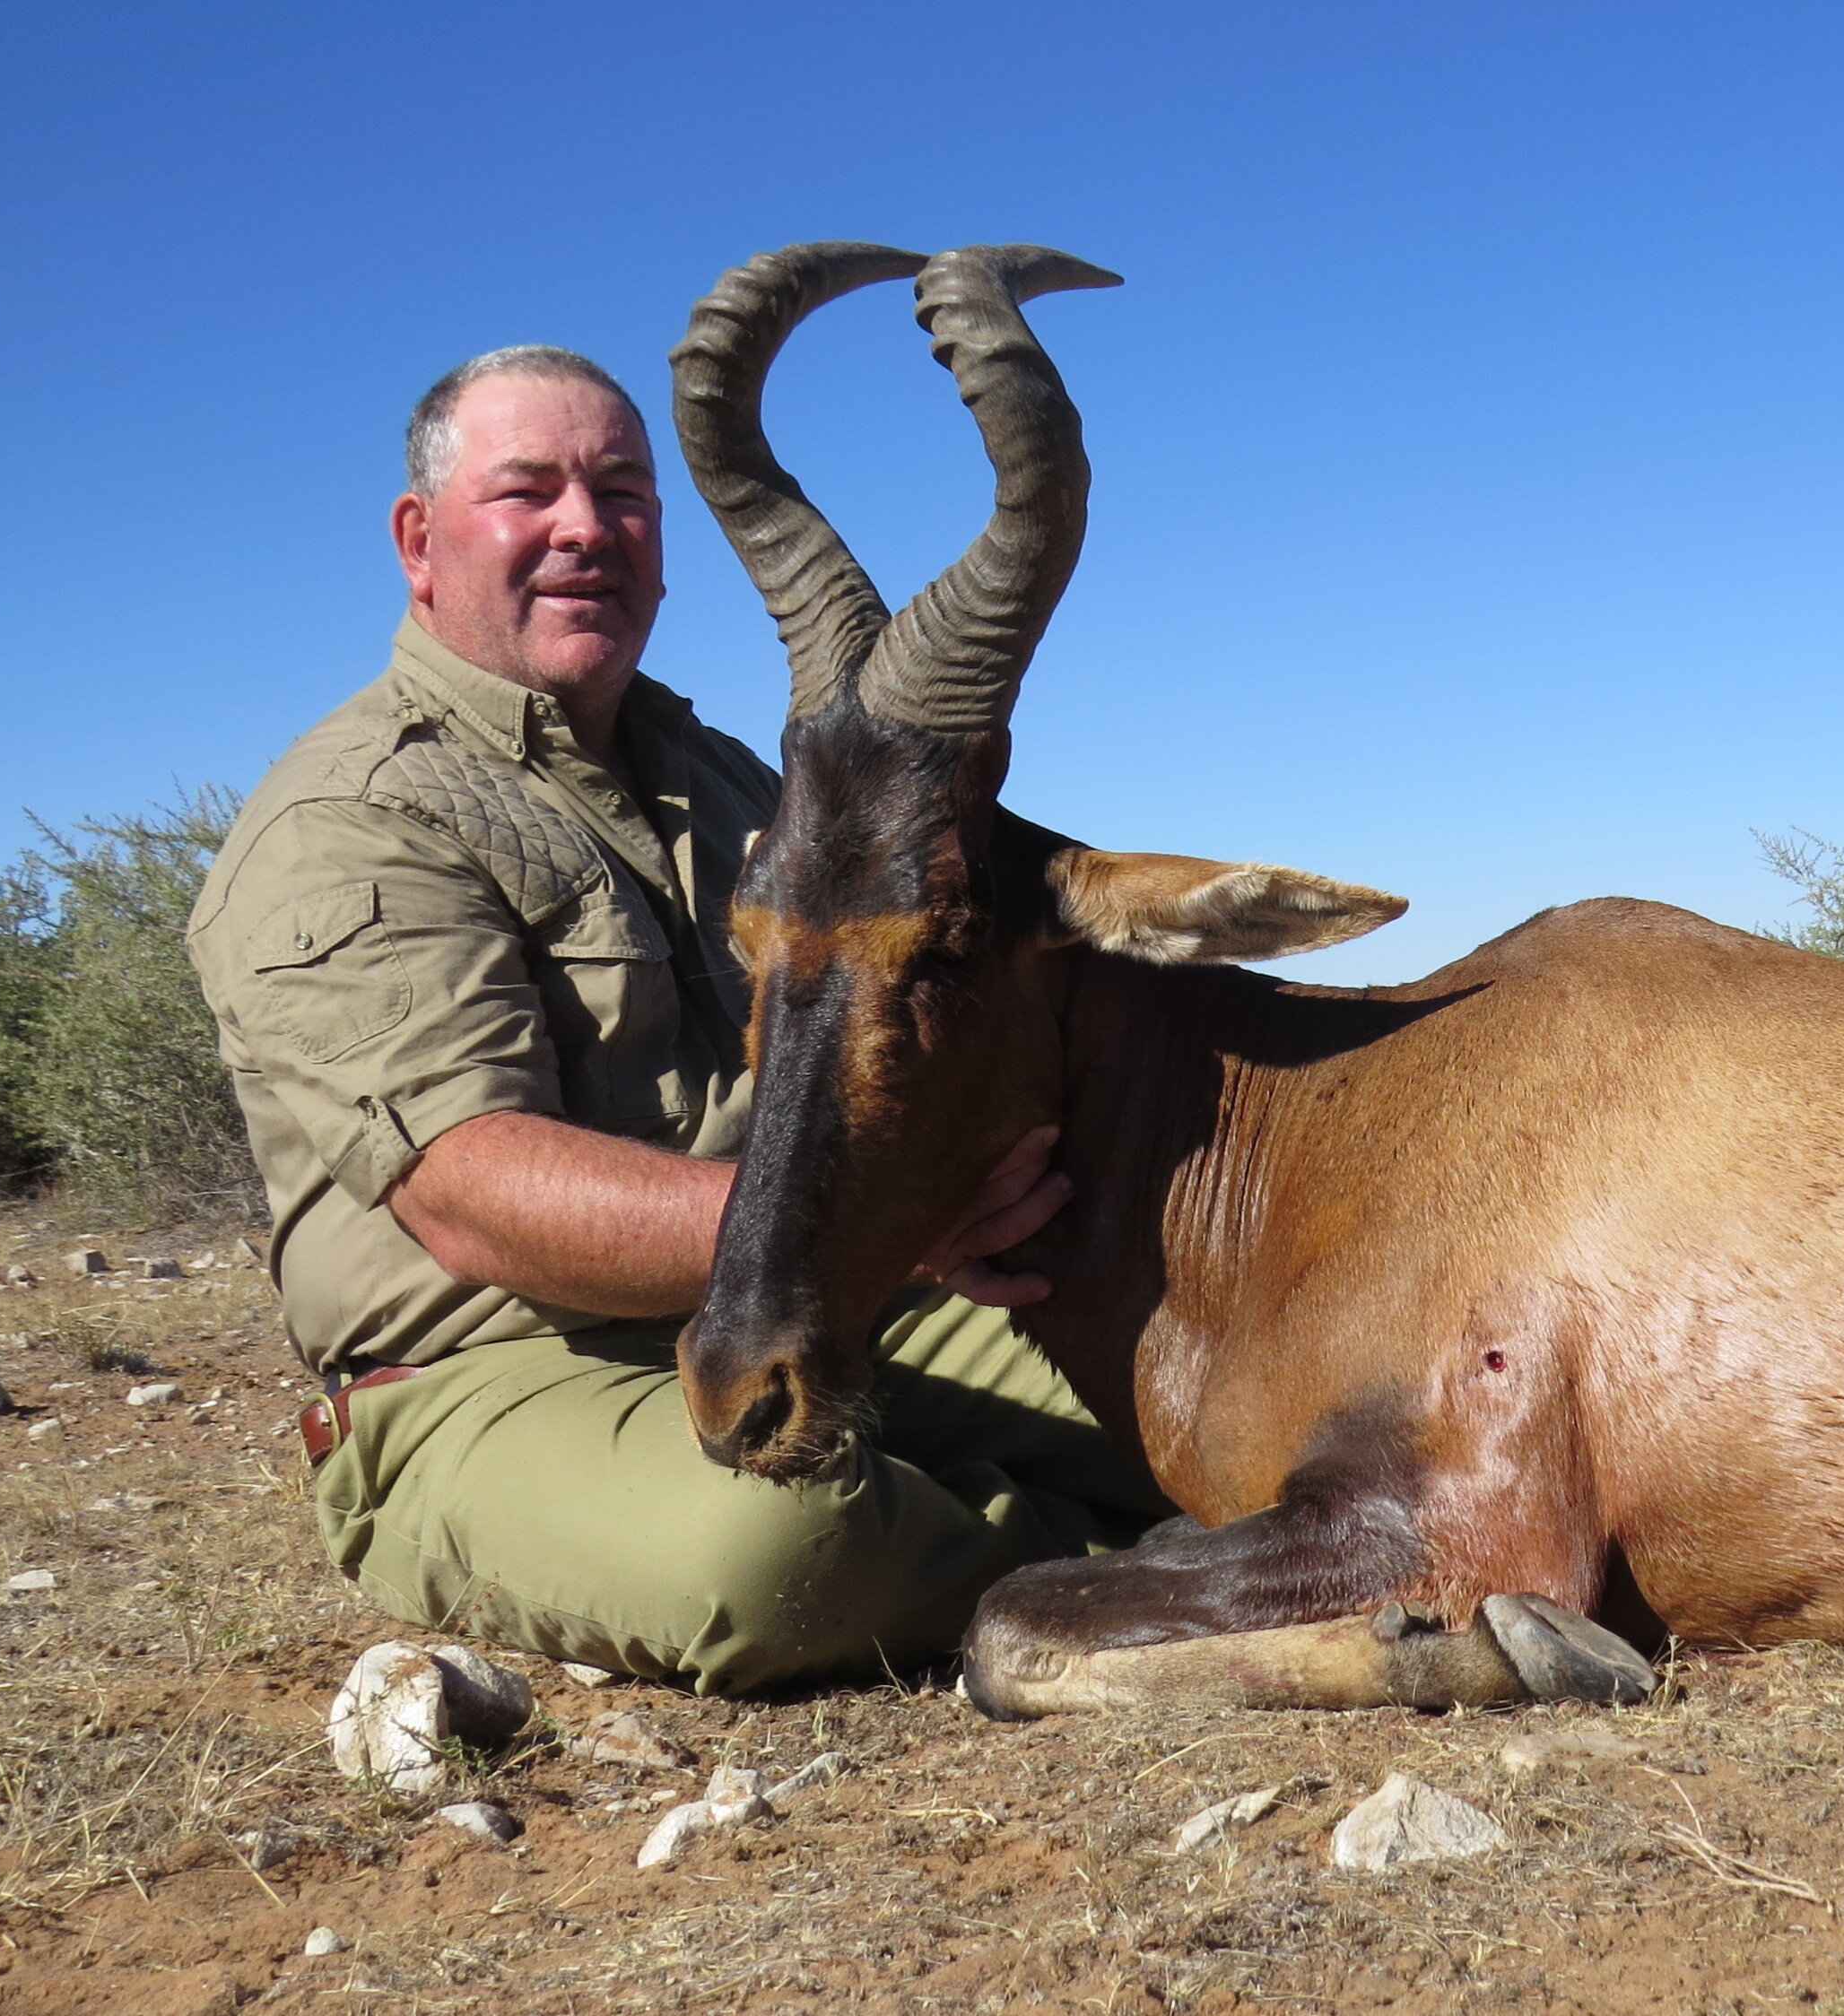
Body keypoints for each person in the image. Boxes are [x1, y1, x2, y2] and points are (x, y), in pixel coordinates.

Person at [187, 344, 1167, 1695]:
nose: (585, 527)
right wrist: (883, 1215)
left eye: (624, 493)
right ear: (421, 542)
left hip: (804, 1285)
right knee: (772, 1561)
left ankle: (1149, 1514)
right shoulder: (346, 821)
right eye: (527, 492)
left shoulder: (730, 778)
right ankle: (1157, 1568)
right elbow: (473, 1198)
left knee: (1205, 1397)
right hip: (494, 1366)